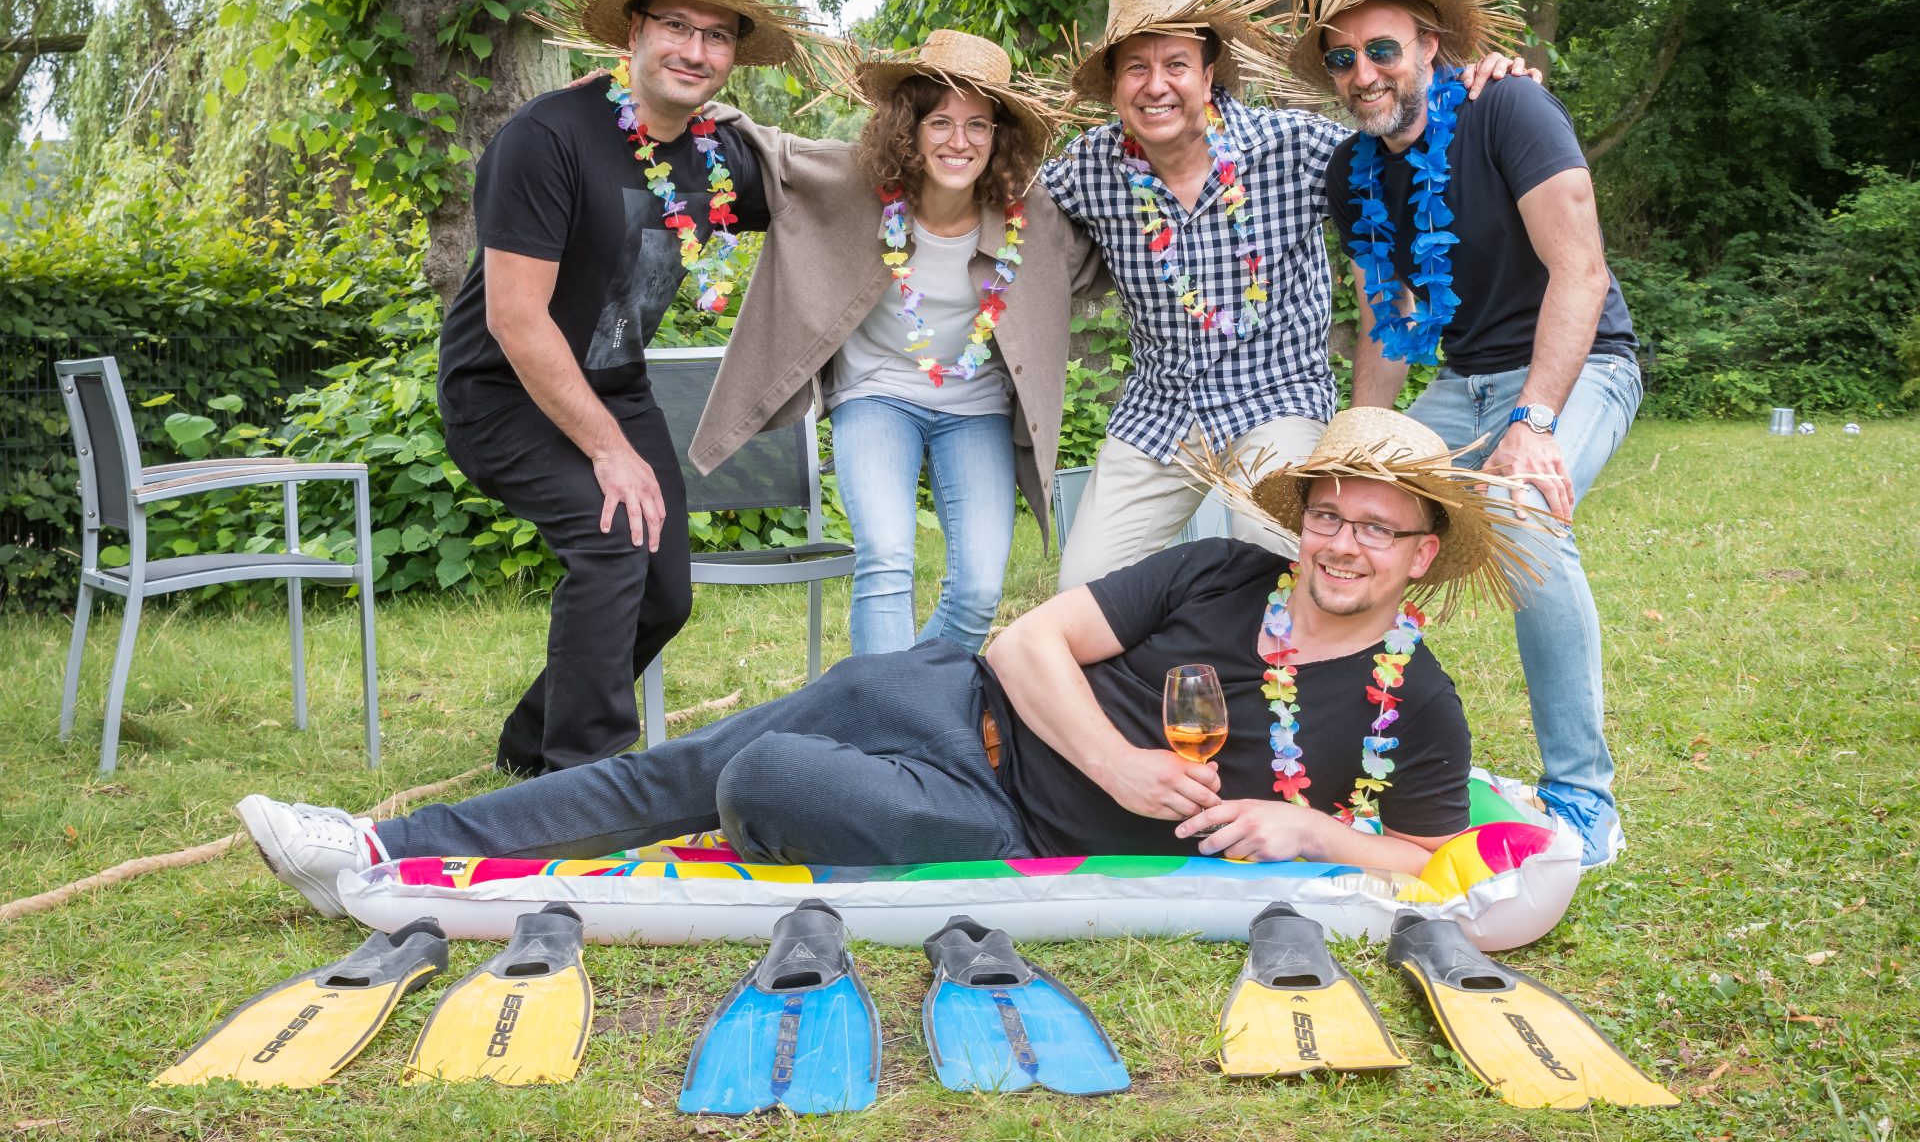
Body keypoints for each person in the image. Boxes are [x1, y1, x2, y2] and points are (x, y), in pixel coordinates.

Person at [235, 408, 1540, 920]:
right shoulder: (1221, 574)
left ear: (1424, 555)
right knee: (671, 770)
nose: (1343, 544)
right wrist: (1125, 764)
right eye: (1328, 513)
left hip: (986, 811)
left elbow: (1426, 856)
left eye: (1378, 528)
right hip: (946, 700)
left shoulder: (1412, 700)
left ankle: (762, 794)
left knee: (758, 775)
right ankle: (374, 845)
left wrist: (1294, 819)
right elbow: (1031, 642)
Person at [1297, 0, 1644, 868]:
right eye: (1342, 57)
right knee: (1345, 521)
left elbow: (1582, 268)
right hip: (1460, 381)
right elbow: (1385, 318)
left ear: (1429, 45)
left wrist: (1534, 422)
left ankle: (1583, 795)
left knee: (1523, 520)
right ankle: (1336, 760)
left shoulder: (1511, 109)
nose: (1363, 73)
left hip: (1579, 367)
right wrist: (1357, 449)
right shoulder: (1352, 173)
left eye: (1382, 49)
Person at [434, 0, 818, 776]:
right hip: (505, 393)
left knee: (664, 594)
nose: (695, 49)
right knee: (613, 544)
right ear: (633, 34)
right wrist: (609, 452)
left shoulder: (716, 159)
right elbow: (517, 320)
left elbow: (828, 188)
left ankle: (529, 747)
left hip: (619, 387)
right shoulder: (547, 137)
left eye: (717, 37)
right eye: (675, 25)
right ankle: (589, 778)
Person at [1038, 0, 1533, 590]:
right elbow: (1008, 217)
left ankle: (1271, 679)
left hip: (1276, 401)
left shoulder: (1290, 145)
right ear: (1114, 85)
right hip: (1158, 412)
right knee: (1081, 590)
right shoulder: (1091, 166)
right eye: (1135, 67)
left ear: (1210, 72)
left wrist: (1483, 87)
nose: (1156, 84)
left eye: (1175, 64)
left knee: (1282, 573)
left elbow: (1401, 132)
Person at [689, 30, 1109, 655]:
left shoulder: (1033, 218)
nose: (959, 141)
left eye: (978, 125)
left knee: (978, 591)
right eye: (940, 122)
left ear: (999, 138)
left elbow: (1110, 250)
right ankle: (880, 727)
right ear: (908, 129)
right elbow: (766, 148)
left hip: (977, 407)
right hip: (876, 394)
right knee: (886, 560)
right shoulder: (856, 185)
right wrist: (645, 99)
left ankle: (917, 698)